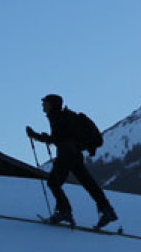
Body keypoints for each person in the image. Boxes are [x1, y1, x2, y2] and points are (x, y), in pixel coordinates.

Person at [27, 92, 116, 229]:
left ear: (52, 105)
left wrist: (36, 136)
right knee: (87, 183)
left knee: (53, 182)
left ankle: (64, 212)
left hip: (66, 155)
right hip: (75, 155)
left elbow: (58, 138)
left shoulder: (57, 116)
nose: (43, 105)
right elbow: (62, 137)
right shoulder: (66, 116)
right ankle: (106, 210)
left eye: (45, 103)